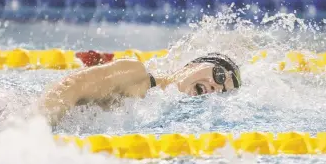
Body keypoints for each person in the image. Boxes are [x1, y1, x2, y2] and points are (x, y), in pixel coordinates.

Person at [38, 52, 241, 126]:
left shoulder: (165, 120)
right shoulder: (134, 73)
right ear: (192, 66)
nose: (216, 86)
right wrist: (37, 128)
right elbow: (71, 87)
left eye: (222, 91)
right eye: (219, 75)